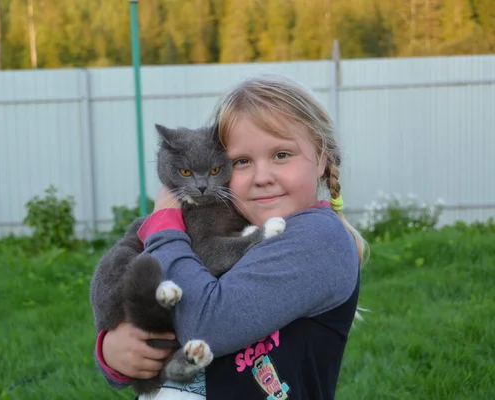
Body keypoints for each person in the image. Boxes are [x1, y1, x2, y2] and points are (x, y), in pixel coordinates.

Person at [94, 74, 367, 400]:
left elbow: (205, 325)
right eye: (241, 161)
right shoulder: (219, 220)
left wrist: (163, 226)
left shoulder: (319, 239)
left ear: (322, 156)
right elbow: (165, 313)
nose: (262, 177)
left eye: (281, 155)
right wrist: (115, 352)